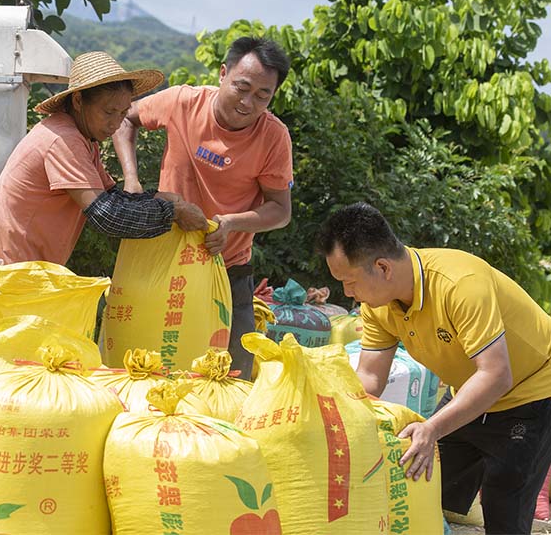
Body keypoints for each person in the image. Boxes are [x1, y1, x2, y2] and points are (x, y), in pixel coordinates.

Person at [317, 202, 551, 534]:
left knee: (504, 511)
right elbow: (369, 377)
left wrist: (433, 428)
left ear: (382, 267)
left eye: (350, 281)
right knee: (417, 479)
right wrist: (335, 419)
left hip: (531, 393)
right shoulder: (378, 306)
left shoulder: (460, 284)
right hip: (469, 390)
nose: (347, 293)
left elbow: (496, 375)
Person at [112, 36, 294, 380]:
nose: (248, 102)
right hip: (161, 260)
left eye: (262, 95)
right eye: (242, 87)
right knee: (144, 368)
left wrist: (231, 223)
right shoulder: (183, 102)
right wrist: (131, 180)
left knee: (230, 377)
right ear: (223, 74)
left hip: (226, 270)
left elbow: (280, 210)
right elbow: (124, 118)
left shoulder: (274, 137)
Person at [0, 51, 207, 267]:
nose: (115, 123)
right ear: (78, 101)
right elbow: (107, 215)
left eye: (122, 113)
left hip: (15, 272)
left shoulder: (84, 139)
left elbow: (112, 198)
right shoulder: (64, 140)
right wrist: (173, 212)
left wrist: (157, 198)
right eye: (108, 112)